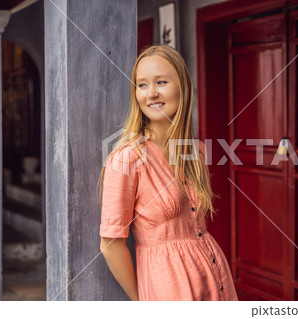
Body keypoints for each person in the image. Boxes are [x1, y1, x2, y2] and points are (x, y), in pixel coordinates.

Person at [97, 44, 238, 301]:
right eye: (142, 85)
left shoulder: (195, 152)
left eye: (161, 82)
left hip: (216, 280)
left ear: (182, 87)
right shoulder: (128, 157)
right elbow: (110, 244)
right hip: (168, 288)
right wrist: (142, 301)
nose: (151, 93)